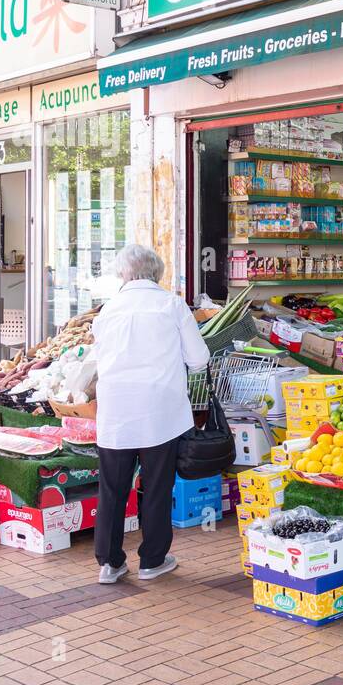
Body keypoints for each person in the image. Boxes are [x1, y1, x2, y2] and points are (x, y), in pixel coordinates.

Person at [93, 244, 210, 585]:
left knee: (112, 489)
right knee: (158, 487)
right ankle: (152, 560)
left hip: (115, 411)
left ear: (123, 274)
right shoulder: (171, 305)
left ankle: (110, 563)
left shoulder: (108, 310)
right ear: (157, 273)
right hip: (160, 412)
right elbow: (199, 359)